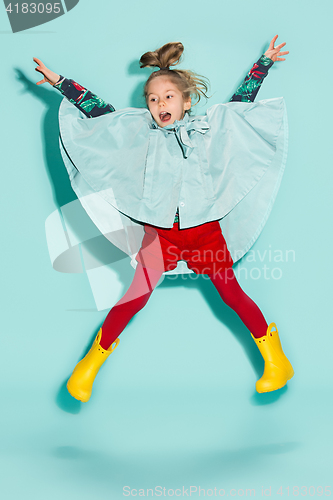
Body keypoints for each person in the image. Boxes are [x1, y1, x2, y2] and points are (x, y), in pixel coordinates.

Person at [34, 35, 293, 402]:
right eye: (153, 99)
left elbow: (238, 108)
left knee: (232, 293)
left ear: (186, 101)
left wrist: (262, 64)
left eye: (168, 96)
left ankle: (276, 359)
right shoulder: (140, 134)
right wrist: (62, 83)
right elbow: (100, 113)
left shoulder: (204, 131)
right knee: (135, 296)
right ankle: (88, 366)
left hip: (204, 232)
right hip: (160, 236)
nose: (159, 104)